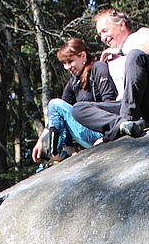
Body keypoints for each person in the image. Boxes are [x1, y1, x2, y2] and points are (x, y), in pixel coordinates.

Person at [71, 7, 149, 143]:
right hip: (126, 106)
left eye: (105, 31)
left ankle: (127, 121)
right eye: (100, 34)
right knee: (78, 109)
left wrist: (120, 50)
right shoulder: (110, 58)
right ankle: (121, 126)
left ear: (121, 24)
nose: (103, 38)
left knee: (135, 55)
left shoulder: (141, 35)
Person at [31, 38, 116, 166]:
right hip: (87, 133)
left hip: (102, 131)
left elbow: (111, 104)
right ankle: (65, 149)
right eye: (64, 63)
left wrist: (107, 136)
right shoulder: (73, 83)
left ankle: (57, 154)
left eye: (70, 61)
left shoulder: (99, 68)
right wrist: (40, 141)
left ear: (82, 55)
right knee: (56, 108)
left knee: (55, 104)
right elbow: (56, 116)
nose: (67, 67)